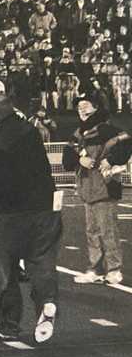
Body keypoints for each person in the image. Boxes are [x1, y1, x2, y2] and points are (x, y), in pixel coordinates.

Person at [0, 93, 62, 343]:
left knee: (8, 272)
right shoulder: (30, 131)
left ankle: (8, 325)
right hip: (45, 210)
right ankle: (47, 300)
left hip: (11, 215)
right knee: (42, 261)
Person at [62, 94, 132, 285]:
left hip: (105, 187)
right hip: (87, 188)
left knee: (107, 230)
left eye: (86, 106)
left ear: (96, 108)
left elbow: (126, 143)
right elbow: (66, 160)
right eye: (79, 107)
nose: (82, 109)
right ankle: (96, 269)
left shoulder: (106, 129)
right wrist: (79, 160)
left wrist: (111, 159)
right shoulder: (77, 134)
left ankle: (114, 269)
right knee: (91, 231)